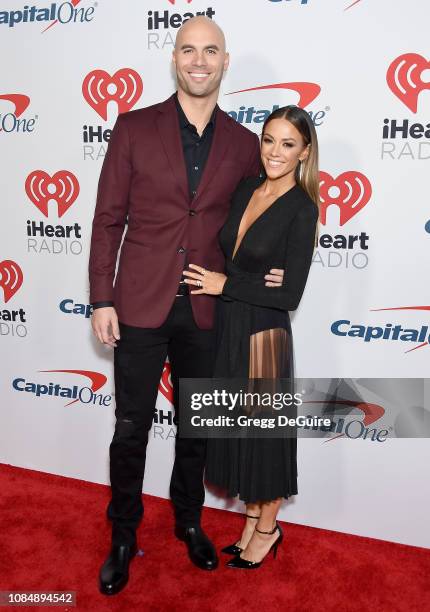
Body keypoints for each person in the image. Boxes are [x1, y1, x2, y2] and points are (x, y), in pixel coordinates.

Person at [89, 16, 284, 594]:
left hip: (207, 308)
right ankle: (124, 534)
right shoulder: (132, 128)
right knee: (131, 428)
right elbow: (107, 221)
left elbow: (255, 226)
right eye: (188, 49)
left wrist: (268, 269)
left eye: (211, 51)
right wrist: (102, 297)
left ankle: (188, 521)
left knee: (197, 427)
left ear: (226, 62)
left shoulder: (246, 144)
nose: (199, 60)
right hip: (139, 304)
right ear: (174, 59)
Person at [183, 105, 319, 569]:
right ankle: (249, 522)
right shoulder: (246, 189)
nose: (274, 152)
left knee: (264, 437)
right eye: (268, 140)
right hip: (230, 326)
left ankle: (267, 528)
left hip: (264, 334)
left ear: (304, 153)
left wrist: (231, 285)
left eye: (287, 144)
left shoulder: (302, 207)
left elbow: (291, 294)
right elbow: (236, 258)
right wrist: (249, 283)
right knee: (238, 429)